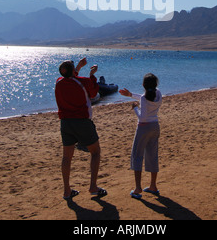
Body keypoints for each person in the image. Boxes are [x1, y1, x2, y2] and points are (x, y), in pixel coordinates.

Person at [55, 58, 107, 200]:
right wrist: (92, 75)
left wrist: (78, 66)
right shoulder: (83, 82)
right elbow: (93, 92)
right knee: (95, 152)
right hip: (82, 122)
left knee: (67, 157)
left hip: (65, 123)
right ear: (72, 71)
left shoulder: (59, 82)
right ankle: (93, 187)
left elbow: (70, 77)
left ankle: (67, 191)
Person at [119, 73, 162, 199]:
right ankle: (153, 186)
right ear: (155, 85)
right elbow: (144, 98)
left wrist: (135, 109)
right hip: (155, 126)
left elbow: (142, 116)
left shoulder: (144, 98)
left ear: (143, 85)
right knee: (153, 155)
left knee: (137, 156)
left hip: (144, 128)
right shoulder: (158, 93)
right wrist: (131, 95)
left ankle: (138, 188)